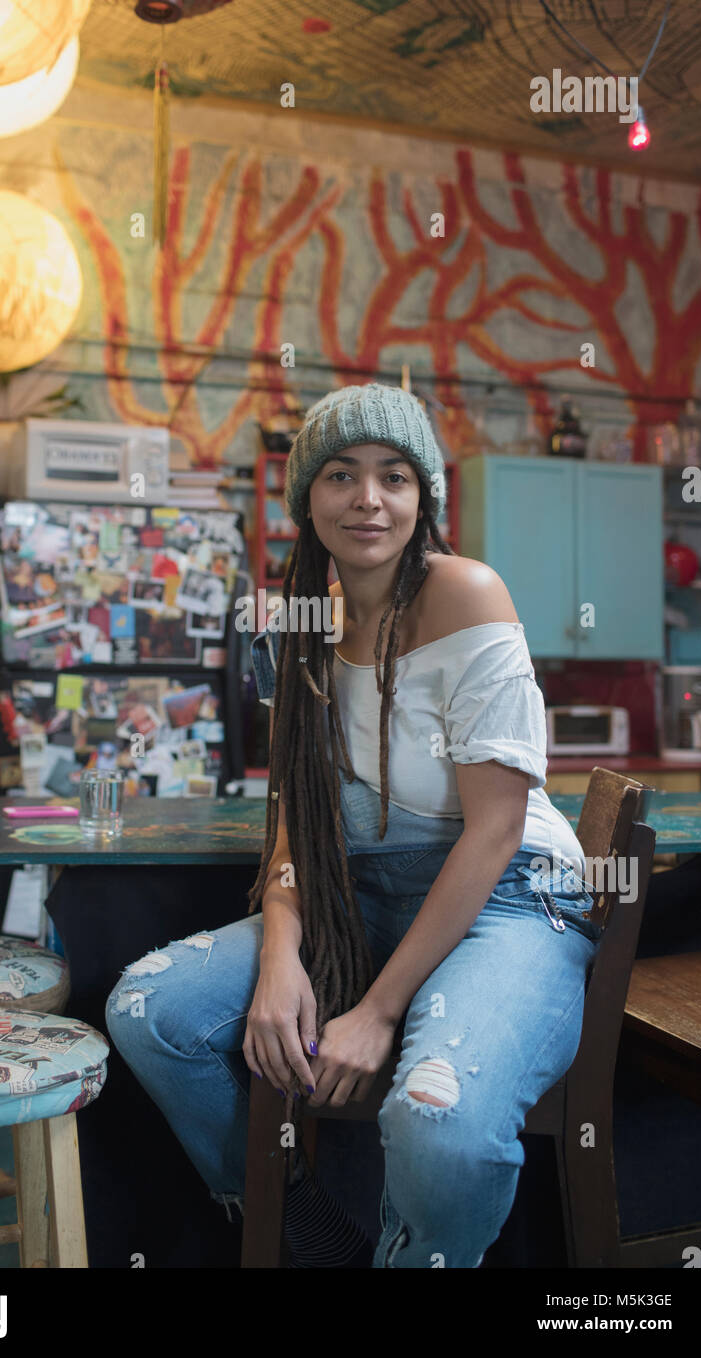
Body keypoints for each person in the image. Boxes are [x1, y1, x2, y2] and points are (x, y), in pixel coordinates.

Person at [105, 383, 602, 1268]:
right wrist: (280, 958)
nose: (368, 499)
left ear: (423, 499)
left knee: (438, 1121)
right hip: (356, 899)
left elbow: (494, 829)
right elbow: (299, 821)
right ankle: (307, 1225)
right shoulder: (298, 629)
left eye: (394, 476)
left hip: (508, 900)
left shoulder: (467, 594)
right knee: (151, 1013)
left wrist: (377, 1010)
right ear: (309, 499)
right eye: (341, 475)